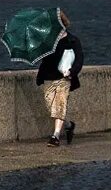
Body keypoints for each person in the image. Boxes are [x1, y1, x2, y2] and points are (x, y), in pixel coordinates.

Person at [36, 9, 84, 147]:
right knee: (51, 106)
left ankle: (55, 136)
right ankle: (69, 125)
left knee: (60, 105)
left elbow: (79, 60)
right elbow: (44, 59)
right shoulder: (48, 40)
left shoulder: (73, 40)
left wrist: (72, 72)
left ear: (62, 24)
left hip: (65, 78)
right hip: (48, 77)